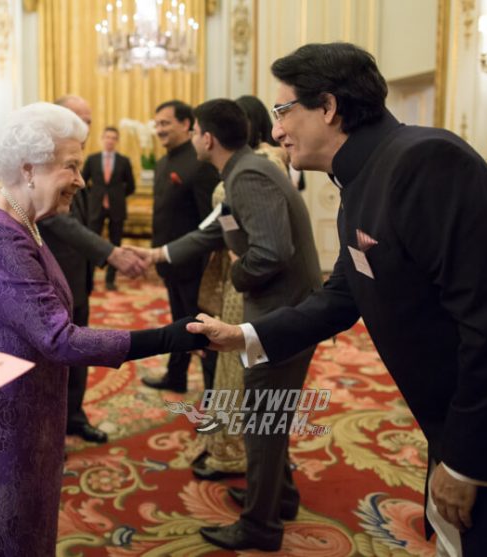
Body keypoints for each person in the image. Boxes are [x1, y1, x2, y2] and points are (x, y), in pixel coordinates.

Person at [187, 43, 487, 557]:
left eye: (283, 111)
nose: (276, 131)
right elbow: (344, 292)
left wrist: (469, 462)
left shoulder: (426, 161)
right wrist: (248, 335)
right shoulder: (362, 176)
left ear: (329, 108)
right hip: (468, 417)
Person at [0, 102, 207, 557]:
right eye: (71, 166)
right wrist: (171, 336)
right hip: (2, 423)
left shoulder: (20, 220)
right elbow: (60, 338)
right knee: (2, 534)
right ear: (29, 168)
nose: (82, 181)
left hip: (24, 408)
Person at [144, 99, 321, 552]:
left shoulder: (248, 175)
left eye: (198, 129)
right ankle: (279, 498)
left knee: (263, 419)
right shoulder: (238, 173)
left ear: (207, 137)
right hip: (277, 312)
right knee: (270, 412)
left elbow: (271, 252)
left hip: (277, 316)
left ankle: (260, 527)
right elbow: (219, 232)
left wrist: (239, 276)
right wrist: (159, 255)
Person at [187, 95, 290, 482]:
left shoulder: (257, 167)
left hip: (248, 279)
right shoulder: (247, 166)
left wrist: (241, 270)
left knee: (242, 370)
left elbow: (272, 247)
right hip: (236, 277)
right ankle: (227, 448)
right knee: (229, 367)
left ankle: (238, 457)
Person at [40, 95, 146, 445]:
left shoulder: (76, 156)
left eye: (88, 119)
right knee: (52, 360)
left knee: (79, 351)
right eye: (78, 119)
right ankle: (49, 432)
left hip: (78, 277)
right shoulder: (44, 159)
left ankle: (74, 416)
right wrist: (110, 253)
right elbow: (58, 220)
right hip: (49, 279)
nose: (86, 127)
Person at [142, 100, 220, 394]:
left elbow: (208, 223)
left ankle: (214, 401)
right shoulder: (163, 162)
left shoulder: (200, 164)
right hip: (170, 264)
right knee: (179, 324)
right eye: (157, 124)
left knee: (204, 333)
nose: (159, 129)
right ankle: (176, 377)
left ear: (187, 125)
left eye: (166, 123)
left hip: (195, 268)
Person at [82, 125, 136, 291]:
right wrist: (95, 196)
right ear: (102, 139)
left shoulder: (123, 160)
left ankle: (110, 280)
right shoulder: (92, 159)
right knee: (90, 244)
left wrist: (117, 196)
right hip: (95, 207)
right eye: (107, 137)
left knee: (115, 244)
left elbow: (131, 186)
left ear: (117, 141)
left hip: (117, 208)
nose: (110, 141)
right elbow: (83, 182)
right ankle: (88, 280)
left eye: (114, 138)